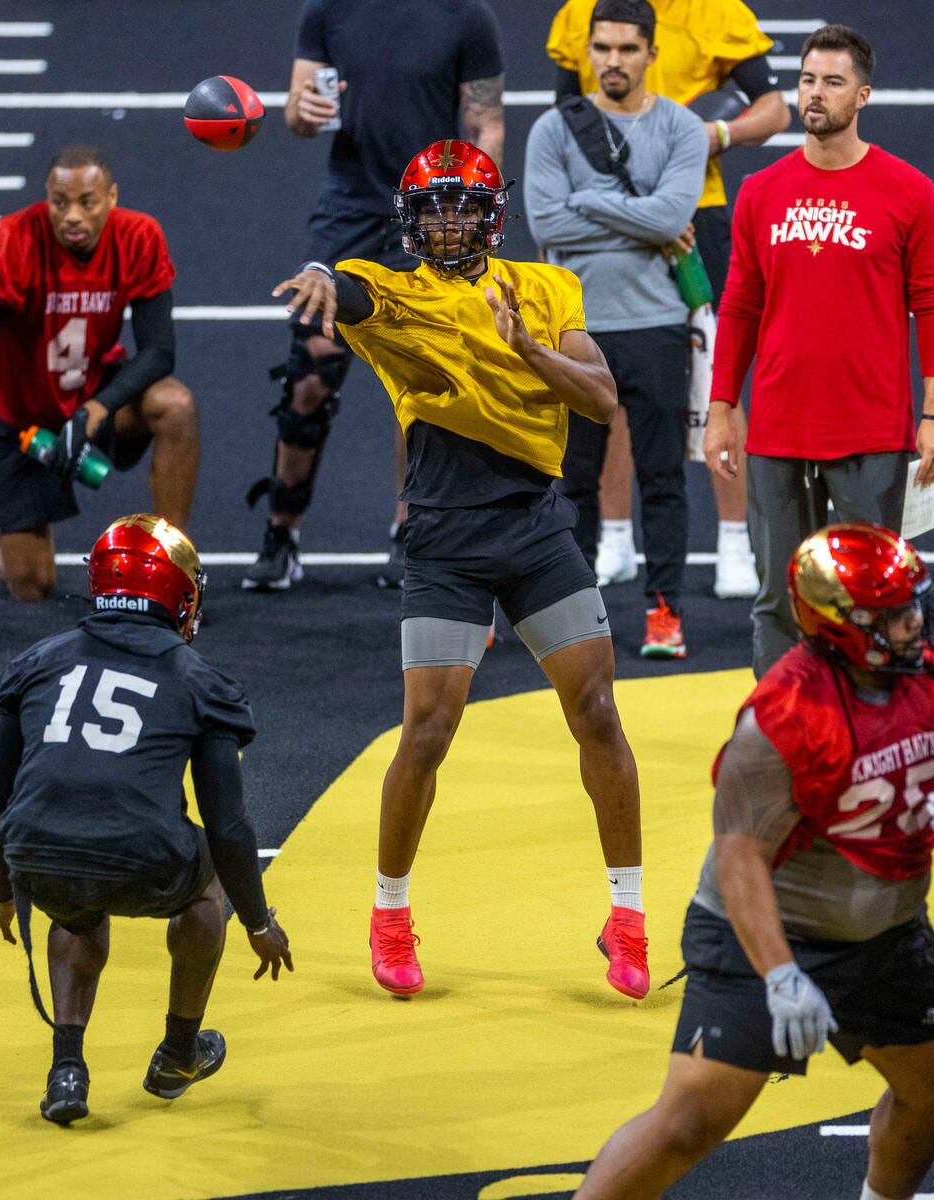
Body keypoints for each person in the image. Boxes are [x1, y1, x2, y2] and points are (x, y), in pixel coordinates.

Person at [273, 139, 649, 1000]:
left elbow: (598, 396)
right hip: (444, 537)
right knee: (428, 732)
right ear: (412, 219)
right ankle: (390, 912)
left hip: (534, 527)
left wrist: (528, 350)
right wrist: (323, 273)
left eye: (463, 206)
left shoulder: (545, 289)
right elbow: (353, 288)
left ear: (492, 215)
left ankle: (627, 918)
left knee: (596, 711)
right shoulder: (393, 290)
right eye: (433, 207)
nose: (448, 221)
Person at [573, 522, 934, 1200]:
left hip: (886, 930)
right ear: (841, 625)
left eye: (914, 603)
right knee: (691, 1119)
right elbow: (740, 860)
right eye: (894, 613)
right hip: (768, 929)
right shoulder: (784, 718)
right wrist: (781, 976)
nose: (916, 621)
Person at [0, 514, 293, 1123]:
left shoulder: (37, 660)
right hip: (143, 855)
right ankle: (178, 1052)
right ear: (177, 593)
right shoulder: (200, 681)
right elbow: (228, 828)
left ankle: (67, 1067)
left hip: (33, 856)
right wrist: (256, 922)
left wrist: (3, 890)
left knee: (74, 898)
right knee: (207, 885)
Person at [703, 24, 934, 677]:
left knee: (879, 597)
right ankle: (784, 743)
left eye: (833, 82)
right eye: (808, 80)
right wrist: (722, 406)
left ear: (863, 94)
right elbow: (738, 308)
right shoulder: (760, 191)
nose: (815, 95)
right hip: (779, 429)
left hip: (871, 429)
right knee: (779, 602)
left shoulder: (910, 190)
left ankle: (881, 739)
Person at [242, 0, 504, 591]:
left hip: (432, 212)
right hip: (348, 212)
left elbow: (486, 122)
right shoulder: (326, 10)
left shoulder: (468, 16)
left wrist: (480, 220)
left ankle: (409, 533)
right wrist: (302, 112)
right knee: (309, 373)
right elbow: (299, 112)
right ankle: (282, 533)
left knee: (421, 378)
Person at [546, 0, 790, 599]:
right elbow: (566, 115)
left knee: (715, 375)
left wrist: (714, 134)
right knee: (609, 374)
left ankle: (735, 541)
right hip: (605, 222)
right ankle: (615, 537)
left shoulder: (714, 11)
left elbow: (777, 108)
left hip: (690, 214)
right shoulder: (582, 13)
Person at [0, 145, 199, 603]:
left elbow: (159, 351)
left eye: (86, 202)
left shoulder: (139, 236)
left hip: (89, 394)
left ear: (111, 198)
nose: (72, 215)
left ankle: (172, 569)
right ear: (46, 198)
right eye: (60, 202)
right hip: (15, 418)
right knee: (34, 587)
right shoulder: (10, 242)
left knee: (176, 406)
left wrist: (96, 409)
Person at [525, 0, 709, 658]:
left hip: (658, 325)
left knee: (663, 479)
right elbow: (548, 226)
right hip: (575, 329)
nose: (612, 61)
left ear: (652, 55)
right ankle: (572, 618)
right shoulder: (552, 129)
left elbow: (672, 219)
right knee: (570, 482)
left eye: (628, 49)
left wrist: (588, 201)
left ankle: (664, 613)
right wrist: (642, 214)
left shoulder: (685, 128)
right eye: (601, 48)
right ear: (587, 53)